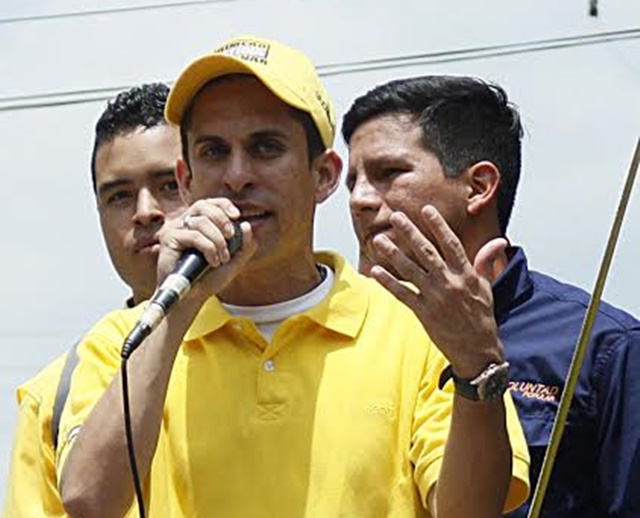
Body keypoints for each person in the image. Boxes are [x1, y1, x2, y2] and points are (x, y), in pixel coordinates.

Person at [56, 35, 530, 518]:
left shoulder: (409, 325)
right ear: (186, 179)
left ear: (324, 176)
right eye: (214, 151)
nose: (237, 176)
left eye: (265, 147)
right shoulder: (126, 341)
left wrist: (477, 366)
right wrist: (176, 313)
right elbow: (90, 501)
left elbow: (468, 509)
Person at [342, 75, 640, 517]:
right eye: (352, 181)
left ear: (479, 186)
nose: (360, 200)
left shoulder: (602, 347)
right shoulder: (340, 338)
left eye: (388, 174)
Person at [2, 83, 185, 517]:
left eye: (168, 185)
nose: (145, 211)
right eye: (119, 195)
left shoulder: (275, 331)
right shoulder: (51, 395)